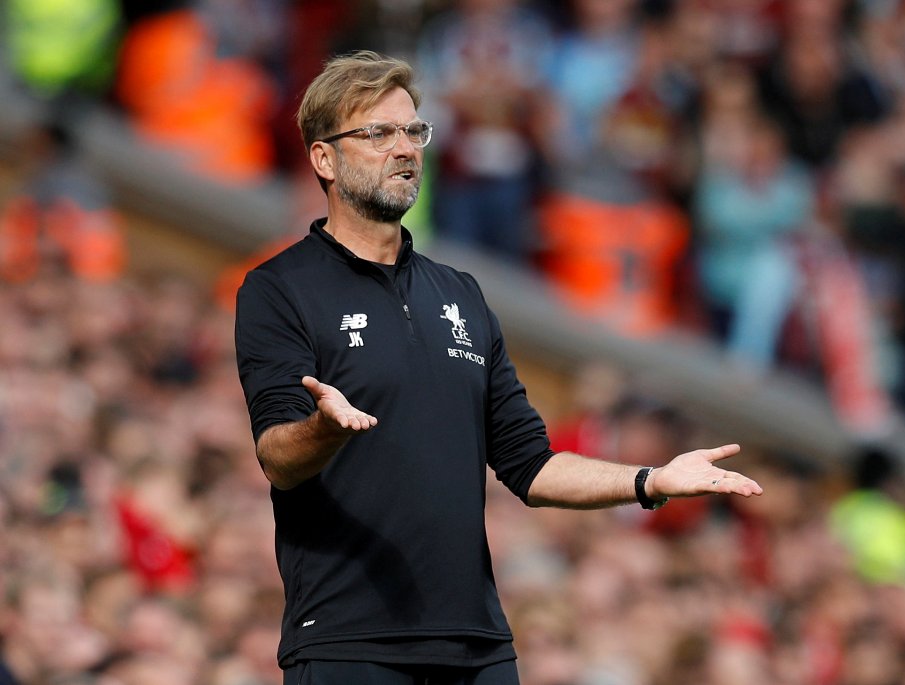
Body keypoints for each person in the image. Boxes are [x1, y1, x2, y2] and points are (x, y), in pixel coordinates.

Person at [234, 50, 763, 685]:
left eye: (414, 131)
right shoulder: (281, 288)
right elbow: (277, 457)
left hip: (477, 646)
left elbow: (530, 465)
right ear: (325, 158)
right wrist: (324, 428)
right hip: (351, 641)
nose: (404, 149)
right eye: (378, 133)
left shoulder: (460, 294)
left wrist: (651, 480)